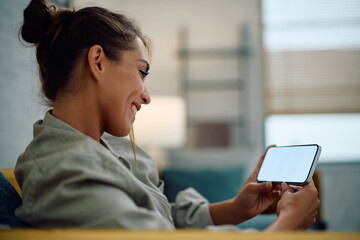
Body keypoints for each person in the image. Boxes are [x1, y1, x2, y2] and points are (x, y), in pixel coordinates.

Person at [14, 0, 320, 230]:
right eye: (141, 72)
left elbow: (156, 218)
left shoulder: (107, 149)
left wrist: (235, 208)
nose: (146, 96)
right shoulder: (63, 172)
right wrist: (288, 224)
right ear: (98, 62)